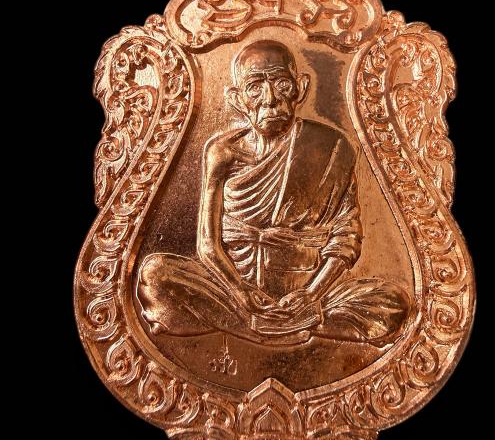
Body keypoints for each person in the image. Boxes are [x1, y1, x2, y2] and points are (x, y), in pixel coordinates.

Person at [137, 40, 410, 345]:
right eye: (255, 87)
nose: (270, 99)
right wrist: (240, 291)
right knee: (155, 275)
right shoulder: (223, 152)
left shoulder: (333, 147)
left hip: (306, 286)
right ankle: (279, 327)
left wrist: (311, 293)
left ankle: (256, 325)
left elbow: (346, 237)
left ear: (300, 89)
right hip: (233, 289)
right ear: (237, 99)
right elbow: (207, 244)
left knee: (393, 304)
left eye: (282, 85)